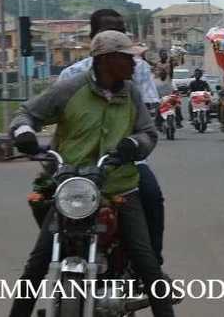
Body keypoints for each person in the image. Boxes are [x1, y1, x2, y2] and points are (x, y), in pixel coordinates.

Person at [9, 31, 175, 317]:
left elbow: (148, 133)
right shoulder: (70, 88)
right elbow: (27, 114)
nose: (135, 64)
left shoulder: (130, 92)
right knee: (38, 262)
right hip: (74, 187)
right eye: (128, 58)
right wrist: (24, 133)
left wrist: (133, 144)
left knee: (147, 263)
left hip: (119, 187)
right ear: (107, 59)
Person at [58, 9, 167, 267]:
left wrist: (134, 142)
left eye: (119, 32)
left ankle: (153, 266)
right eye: (107, 31)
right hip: (76, 168)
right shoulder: (70, 76)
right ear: (92, 36)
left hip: (126, 162)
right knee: (46, 201)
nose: (114, 36)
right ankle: (54, 257)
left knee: (151, 195)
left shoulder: (136, 69)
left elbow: (148, 115)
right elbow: (43, 115)